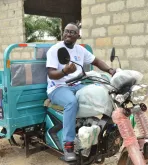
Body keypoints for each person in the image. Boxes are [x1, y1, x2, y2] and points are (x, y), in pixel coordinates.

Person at [46, 22, 116, 162]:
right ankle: (68, 145)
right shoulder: (55, 50)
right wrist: (65, 71)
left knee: (104, 90)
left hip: (78, 84)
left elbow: (96, 61)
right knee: (71, 102)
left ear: (78, 35)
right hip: (58, 87)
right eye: (66, 31)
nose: (68, 34)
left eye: (72, 32)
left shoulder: (80, 50)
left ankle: (104, 129)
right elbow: (51, 74)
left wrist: (110, 70)